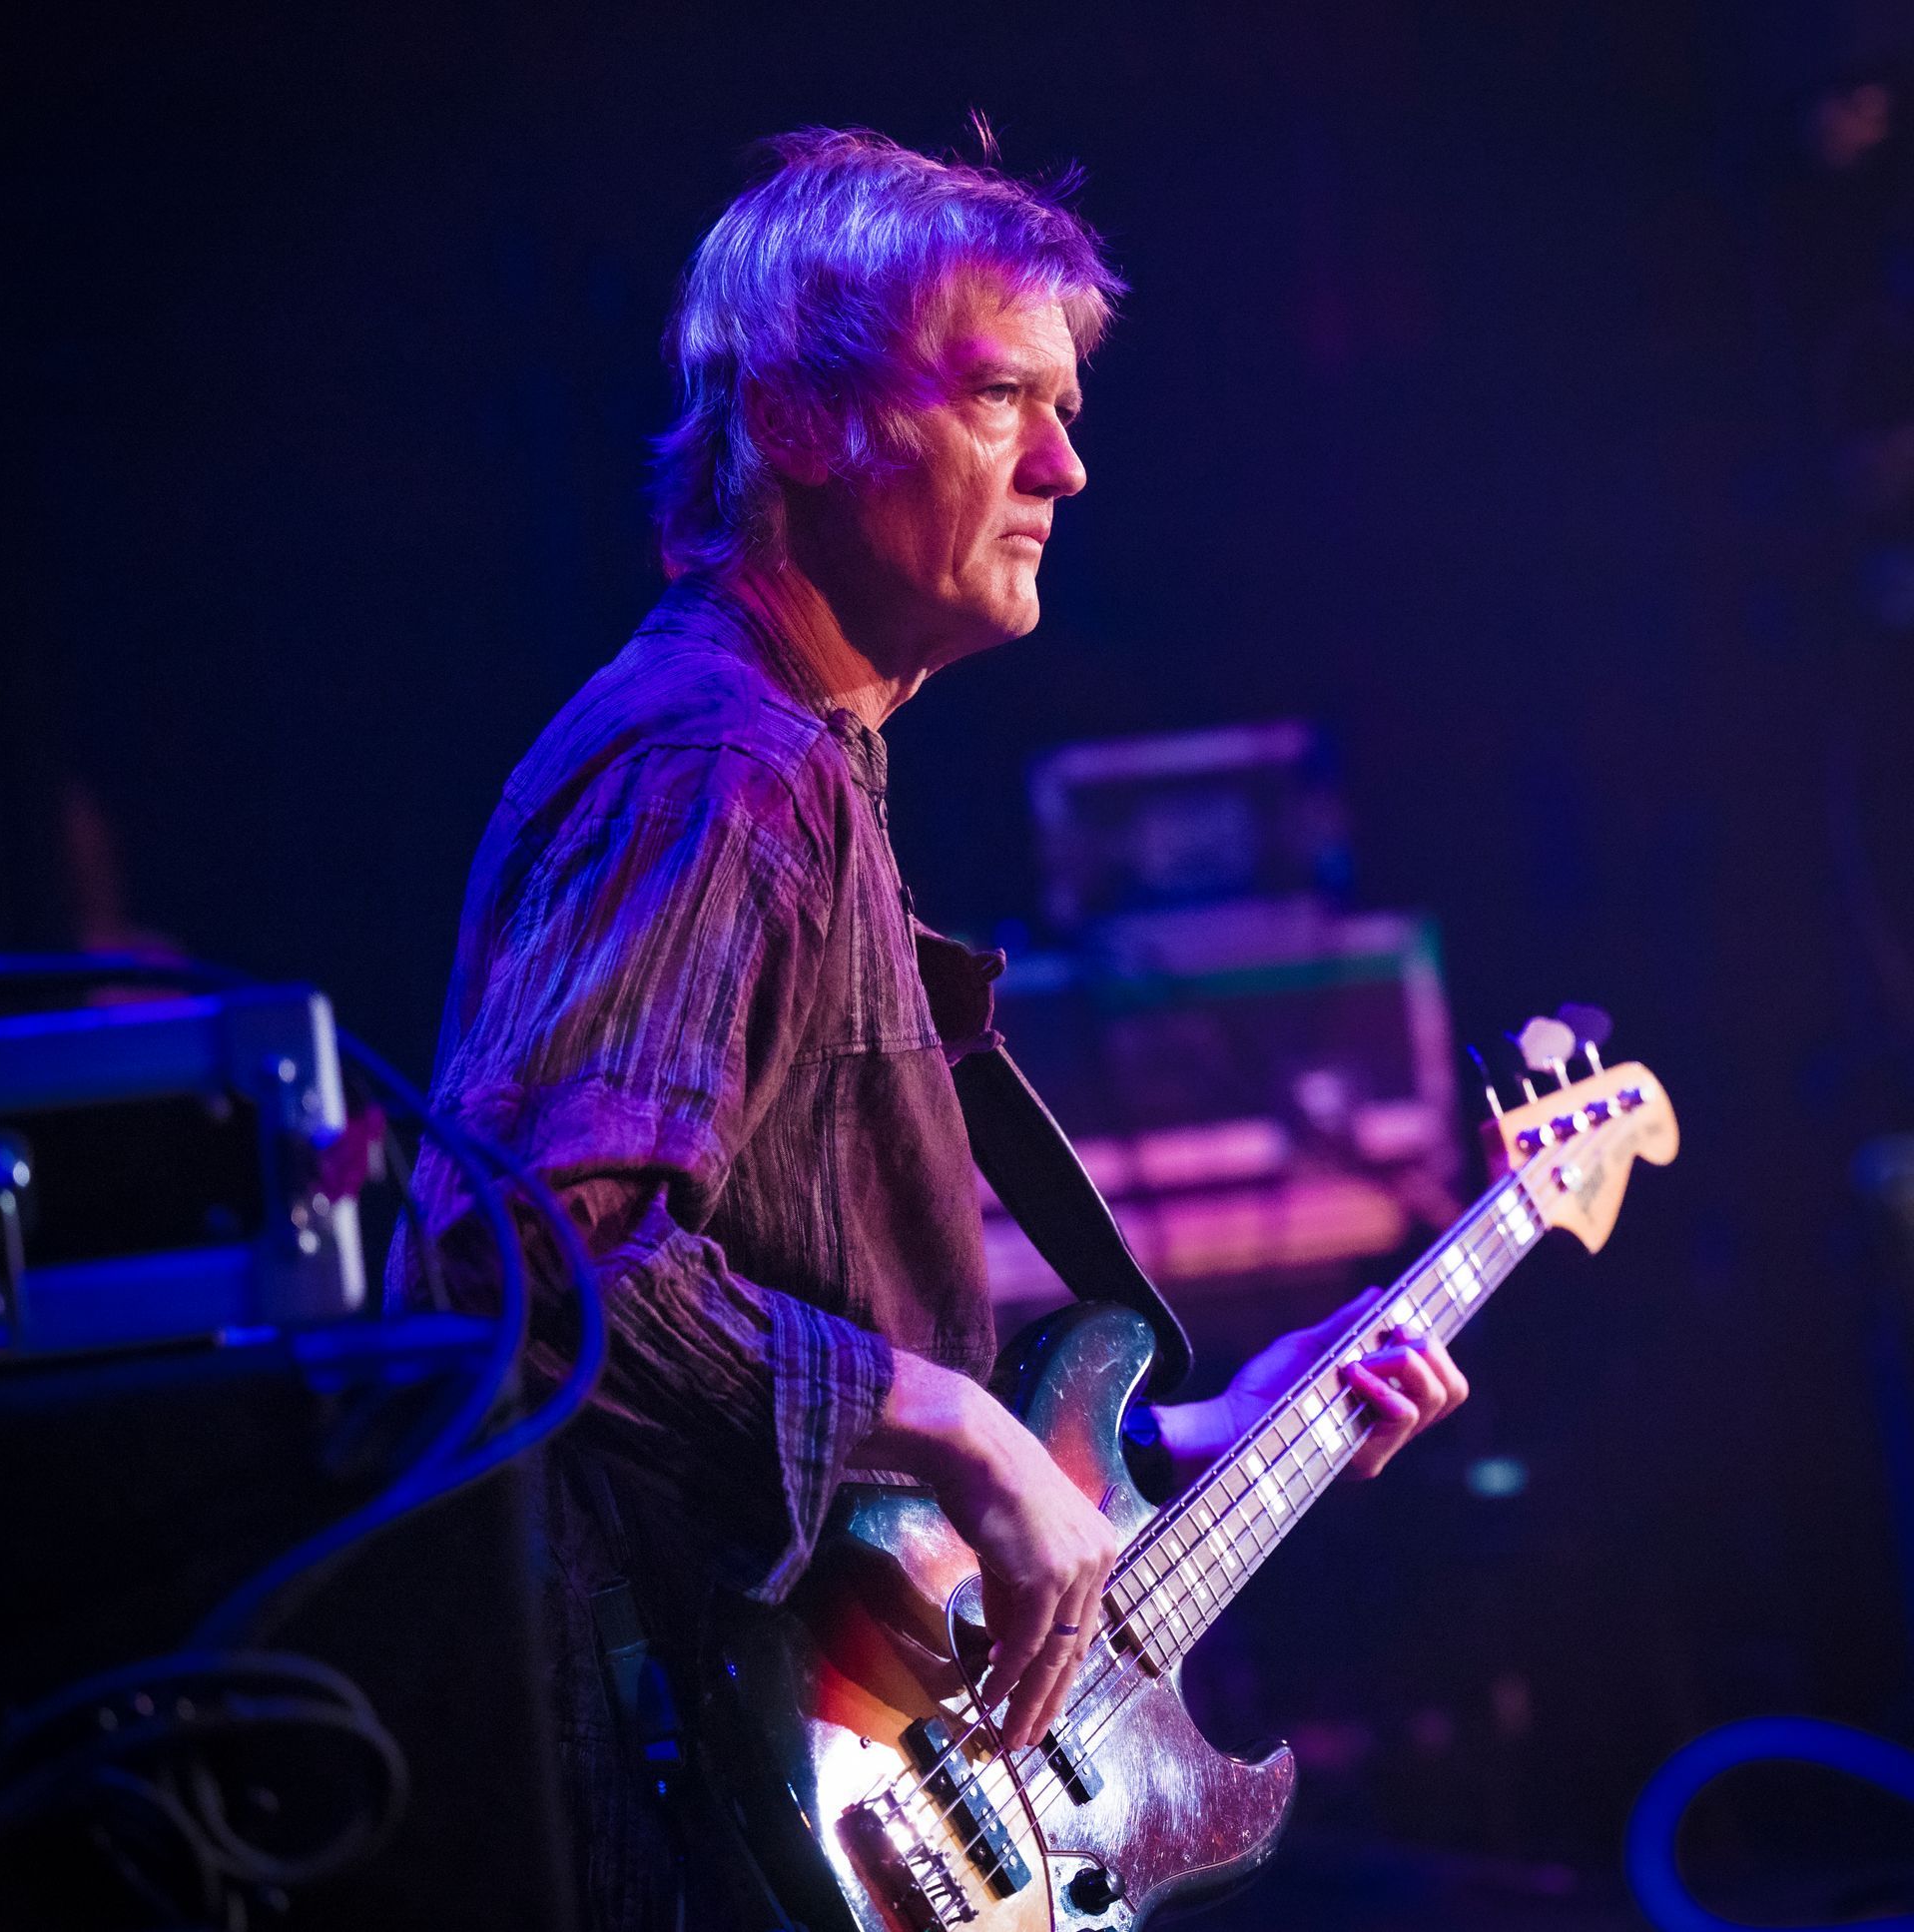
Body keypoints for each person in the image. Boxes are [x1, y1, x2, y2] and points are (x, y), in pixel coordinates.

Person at [395, 126, 1468, 1928]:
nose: (1065, 462)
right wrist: (969, 1430)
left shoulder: (805, 769)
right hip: (693, 1821)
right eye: (997, 398)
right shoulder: (723, 771)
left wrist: (1188, 1451)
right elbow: (525, 1257)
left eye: (1066, 405)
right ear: (800, 416)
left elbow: (798, 1348)